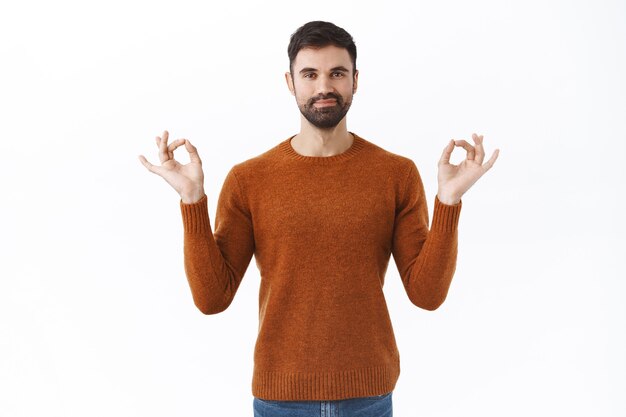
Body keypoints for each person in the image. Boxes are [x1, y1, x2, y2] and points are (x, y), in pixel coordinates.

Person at [139, 20, 499, 417]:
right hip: (280, 399)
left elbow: (427, 295)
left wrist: (448, 201)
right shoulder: (249, 179)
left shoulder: (396, 173)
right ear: (290, 83)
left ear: (355, 81)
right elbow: (212, 299)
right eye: (310, 74)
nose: (323, 86)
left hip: (370, 397)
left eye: (337, 73)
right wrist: (192, 200)